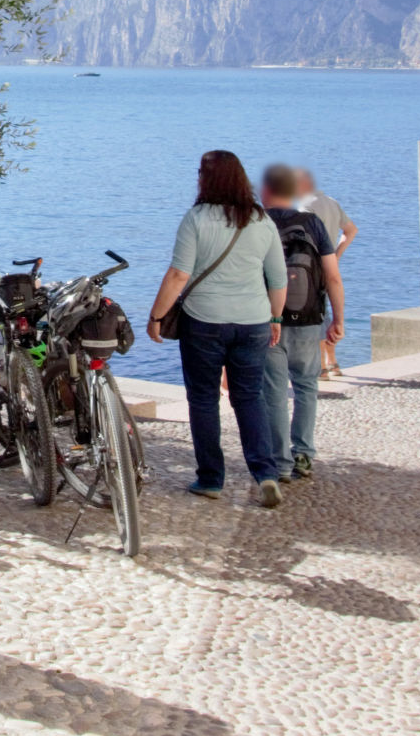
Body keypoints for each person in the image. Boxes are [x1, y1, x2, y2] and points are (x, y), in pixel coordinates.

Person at [145, 150, 288, 508]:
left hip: (204, 323)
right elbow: (278, 278)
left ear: (204, 179)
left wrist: (156, 315)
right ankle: (265, 474)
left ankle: (210, 479)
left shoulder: (196, 219)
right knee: (249, 398)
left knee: (204, 401)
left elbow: (179, 274)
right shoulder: (260, 220)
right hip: (253, 321)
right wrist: (275, 318)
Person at [260, 163, 343, 484]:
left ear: (265, 191)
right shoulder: (313, 224)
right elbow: (332, 277)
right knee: (307, 385)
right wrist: (338, 318)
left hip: (268, 318)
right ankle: (304, 454)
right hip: (309, 318)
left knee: (275, 392)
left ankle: (280, 463)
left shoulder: (258, 223)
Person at [294, 167, 356, 376]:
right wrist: (337, 254)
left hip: (311, 265)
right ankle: (333, 361)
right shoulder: (331, 202)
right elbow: (351, 231)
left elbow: (304, 239)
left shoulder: (304, 207)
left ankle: (321, 365)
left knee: (315, 313)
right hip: (329, 263)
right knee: (324, 309)